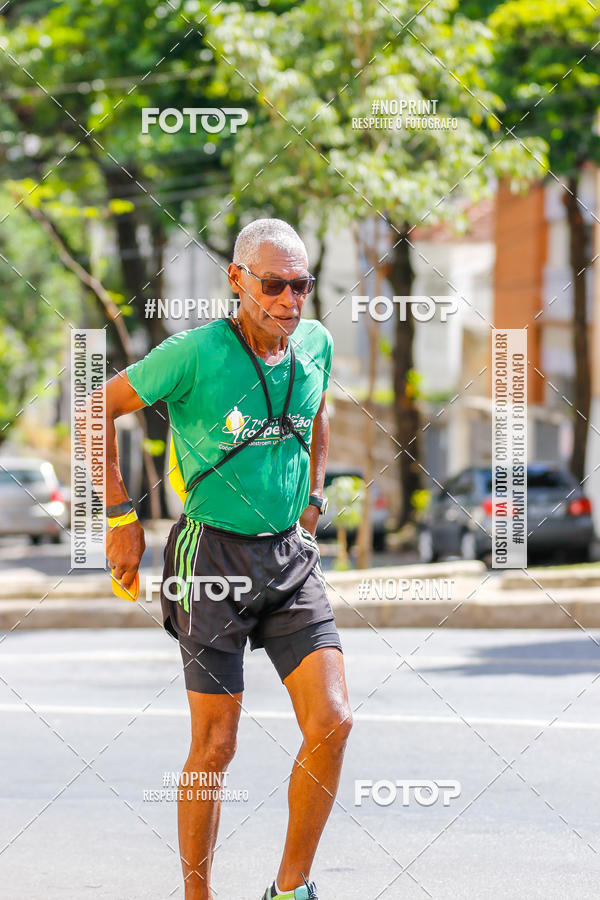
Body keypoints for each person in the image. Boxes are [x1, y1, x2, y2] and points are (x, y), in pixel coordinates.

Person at [102, 218, 353, 900]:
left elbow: (317, 405)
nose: (290, 301)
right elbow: (97, 406)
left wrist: (313, 496)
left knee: (333, 720)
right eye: (273, 285)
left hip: (288, 556)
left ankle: (290, 889)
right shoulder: (192, 354)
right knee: (216, 746)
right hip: (209, 554)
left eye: (300, 286)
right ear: (238, 281)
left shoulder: (315, 345)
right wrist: (120, 515)